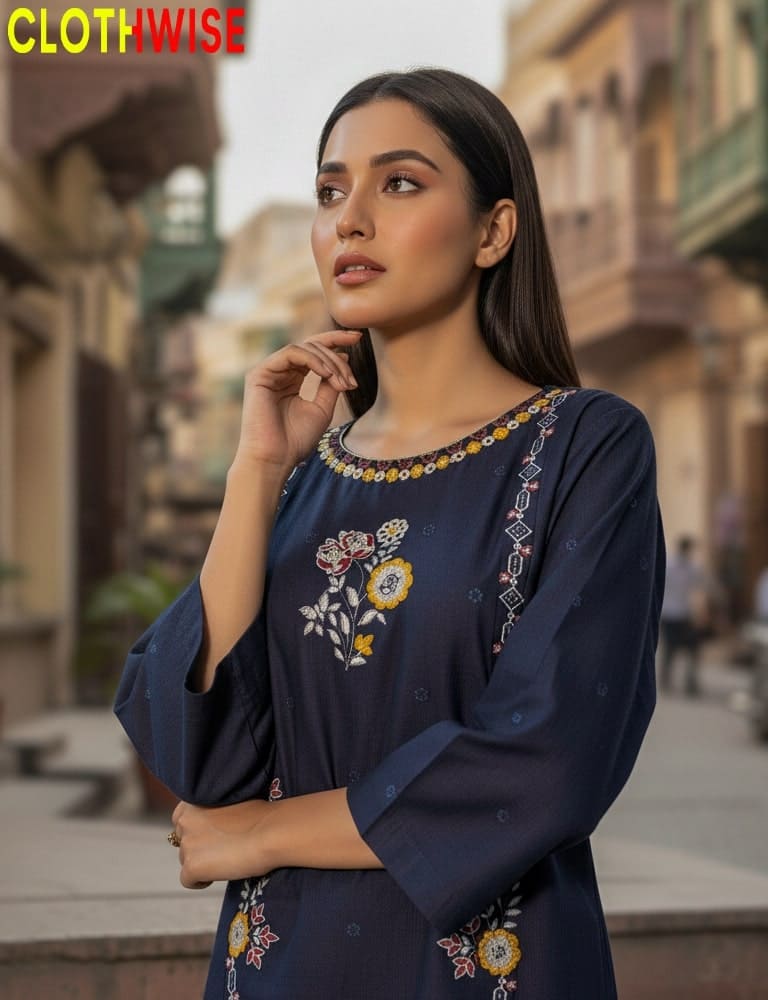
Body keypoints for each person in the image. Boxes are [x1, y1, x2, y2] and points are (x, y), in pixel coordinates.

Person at [114, 67, 666, 1000]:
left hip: (489, 970)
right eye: (331, 191)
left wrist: (263, 834)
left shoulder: (584, 446)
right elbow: (195, 752)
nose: (349, 221)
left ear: (494, 230)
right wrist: (256, 473)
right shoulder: (304, 479)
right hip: (276, 967)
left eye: (399, 183)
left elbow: (548, 758)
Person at [658, 535, 718, 697]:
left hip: (679, 614)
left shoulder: (688, 567)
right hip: (673, 613)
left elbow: (702, 585)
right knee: (673, 649)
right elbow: (705, 585)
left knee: (687, 648)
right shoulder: (673, 565)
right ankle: (671, 679)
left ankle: (684, 680)